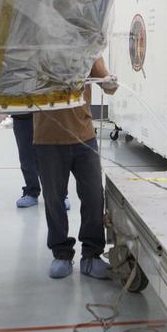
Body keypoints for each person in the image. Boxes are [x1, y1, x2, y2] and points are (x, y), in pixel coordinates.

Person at [33, 59, 118, 279]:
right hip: (47, 138)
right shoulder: (37, 49)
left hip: (84, 137)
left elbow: (108, 87)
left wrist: (110, 82)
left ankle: (91, 255)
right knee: (54, 199)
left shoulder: (87, 48)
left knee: (93, 197)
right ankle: (61, 253)